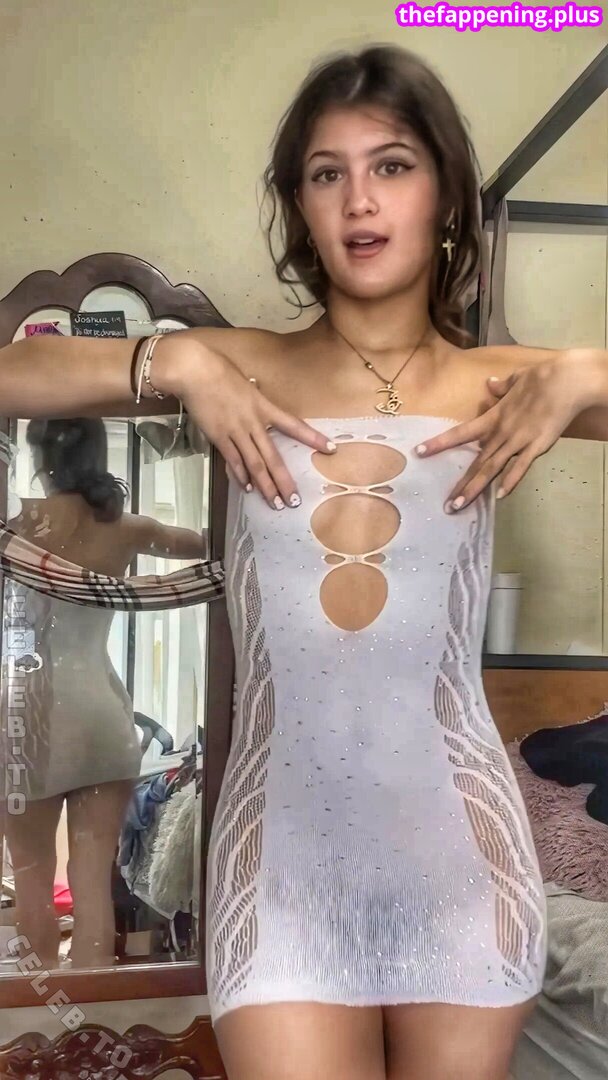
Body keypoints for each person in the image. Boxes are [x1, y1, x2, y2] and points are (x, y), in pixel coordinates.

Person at [1, 41, 608, 1080]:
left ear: (444, 197)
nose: (359, 200)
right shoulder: (244, 365)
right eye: (328, 173)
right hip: (278, 881)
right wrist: (176, 358)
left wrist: (586, 370)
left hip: (462, 871)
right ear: (300, 206)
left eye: (392, 165)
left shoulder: (501, 381)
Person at [2, 417, 205, 970]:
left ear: (38, 457)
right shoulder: (129, 527)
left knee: (32, 879)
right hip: (102, 712)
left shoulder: (16, 524)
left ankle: (41, 1003)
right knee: (92, 880)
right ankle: (94, 999)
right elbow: (209, 545)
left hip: (29, 712)